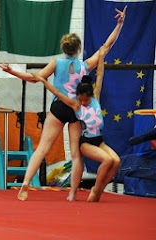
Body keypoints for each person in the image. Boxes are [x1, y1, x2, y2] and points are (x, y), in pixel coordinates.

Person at [0, 6, 126, 201]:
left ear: (63, 48)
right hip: (75, 109)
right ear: (80, 48)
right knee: (76, 155)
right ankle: (72, 194)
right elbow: (105, 48)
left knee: (42, 148)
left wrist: (12, 71)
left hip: (58, 107)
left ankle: (25, 183)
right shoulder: (85, 65)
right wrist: (119, 24)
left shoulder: (57, 64)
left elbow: (35, 78)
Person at [32, 45, 120, 202]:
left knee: (116, 161)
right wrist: (44, 81)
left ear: (91, 96)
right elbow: (57, 93)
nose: (83, 102)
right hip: (85, 143)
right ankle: (96, 191)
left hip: (99, 141)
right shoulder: (76, 106)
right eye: (80, 99)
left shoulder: (95, 100)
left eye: (85, 99)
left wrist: (101, 57)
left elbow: (100, 75)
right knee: (108, 160)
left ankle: (98, 189)